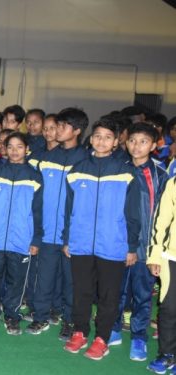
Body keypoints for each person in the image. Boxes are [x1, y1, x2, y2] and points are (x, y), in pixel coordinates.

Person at [62, 117, 141, 360]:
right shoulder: (77, 172)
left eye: (108, 137)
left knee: (109, 295)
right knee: (81, 292)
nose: (101, 141)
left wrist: (131, 246)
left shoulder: (126, 173)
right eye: (97, 136)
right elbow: (68, 209)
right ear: (91, 138)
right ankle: (80, 332)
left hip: (113, 244)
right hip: (81, 243)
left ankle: (102, 338)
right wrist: (67, 238)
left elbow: (133, 213)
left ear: (117, 142)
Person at [25, 107, 89, 340]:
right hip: (46, 232)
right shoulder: (46, 158)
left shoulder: (85, 161)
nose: (57, 130)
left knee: (72, 282)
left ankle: (70, 321)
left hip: (72, 235)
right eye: (57, 125)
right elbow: (38, 198)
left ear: (77, 131)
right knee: (44, 277)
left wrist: (73, 235)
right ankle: (40, 316)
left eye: (63, 126)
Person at [109, 122, 167, 360]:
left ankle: (139, 338)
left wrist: (157, 248)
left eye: (143, 141)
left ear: (154, 145)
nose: (136, 146)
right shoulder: (117, 168)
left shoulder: (159, 174)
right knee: (115, 291)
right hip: (116, 244)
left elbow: (164, 214)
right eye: (132, 140)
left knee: (142, 295)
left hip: (146, 248)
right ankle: (112, 329)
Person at [0, 132, 43, 336]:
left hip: (21, 239)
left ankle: (12, 316)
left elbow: (38, 210)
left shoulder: (34, 177)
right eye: (10, 147)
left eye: (19, 146)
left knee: (16, 282)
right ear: (4, 149)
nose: (14, 151)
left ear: (27, 149)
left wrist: (35, 239)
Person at [146, 174, 176, 373]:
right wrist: (154, 255)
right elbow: (161, 219)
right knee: (170, 308)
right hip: (172, 256)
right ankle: (168, 353)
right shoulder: (173, 182)